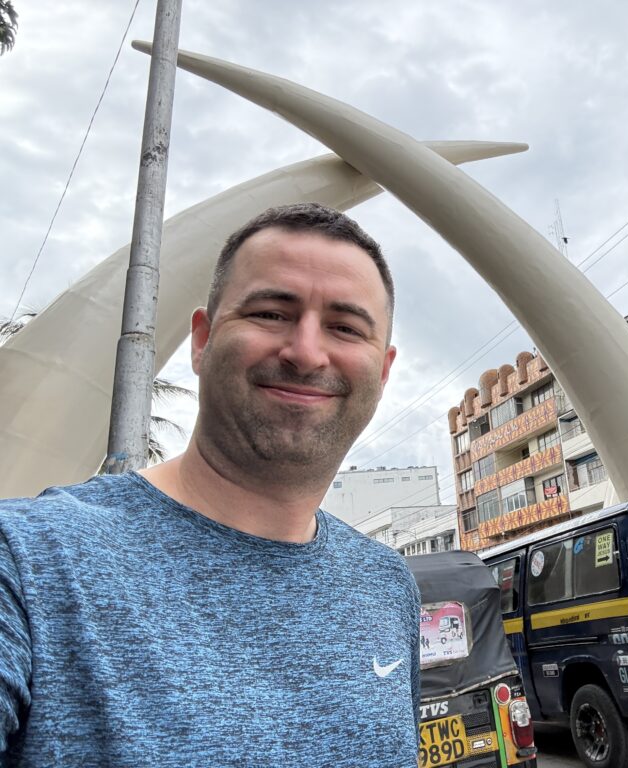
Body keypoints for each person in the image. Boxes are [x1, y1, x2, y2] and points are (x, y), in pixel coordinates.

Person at [0, 203, 420, 767]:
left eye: (345, 327)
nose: (305, 352)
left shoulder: (386, 585)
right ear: (202, 340)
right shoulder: (31, 559)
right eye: (271, 313)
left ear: (384, 370)